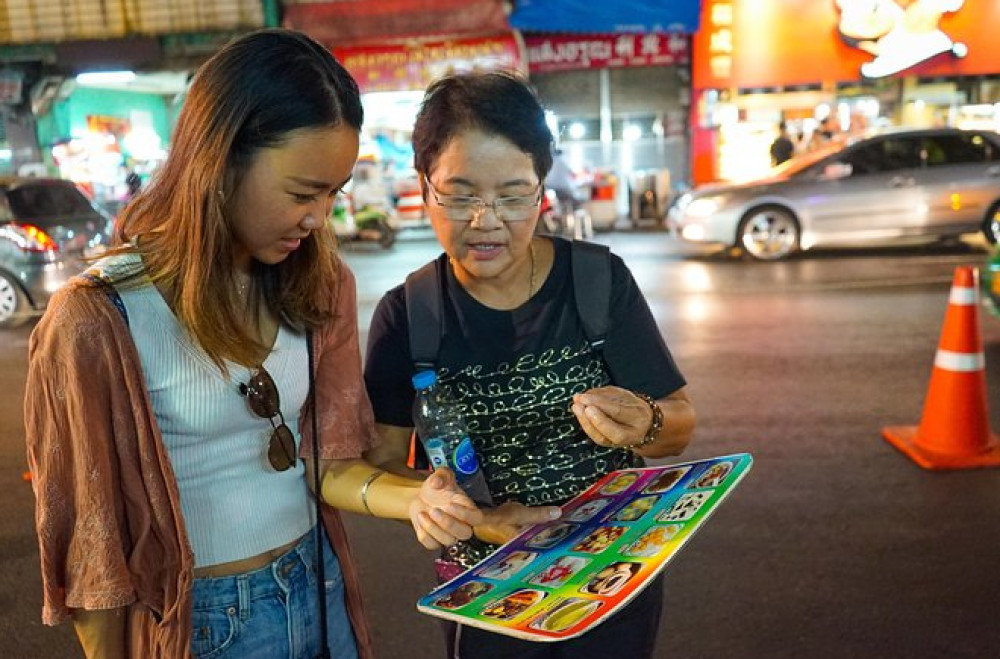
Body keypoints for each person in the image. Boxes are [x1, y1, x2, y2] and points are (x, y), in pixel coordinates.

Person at [23, 29, 482, 659]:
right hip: (204, 622)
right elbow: (91, 552)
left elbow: (328, 463)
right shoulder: (99, 317)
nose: (318, 218)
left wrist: (420, 500)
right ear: (221, 161)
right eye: (302, 192)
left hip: (317, 586)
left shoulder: (320, 284)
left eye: (333, 193)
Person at [363, 71, 696, 659]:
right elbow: (387, 462)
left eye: (514, 195)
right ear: (425, 187)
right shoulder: (408, 315)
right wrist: (463, 515)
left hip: (614, 574)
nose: (486, 219)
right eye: (460, 194)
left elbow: (679, 426)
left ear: (542, 189)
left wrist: (643, 420)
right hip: (489, 590)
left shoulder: (596, 280)